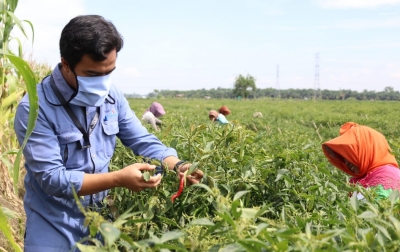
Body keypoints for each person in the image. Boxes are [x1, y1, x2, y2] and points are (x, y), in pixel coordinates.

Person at [14, 15, 203, 252]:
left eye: (109, 72)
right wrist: (117, 179)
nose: (102, 83)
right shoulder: (35, 108)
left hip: (100, 223)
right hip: (53, 225)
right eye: (93, 75)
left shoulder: (112, 97)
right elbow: (52, 179)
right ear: (66, 64)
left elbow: (141, 139)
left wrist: (177, 164)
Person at [322, 122, 400, 200]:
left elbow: (378, 209)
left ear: (366, 151)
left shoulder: (387, 176)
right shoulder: (362, 179)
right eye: (344, 157)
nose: (346, 162)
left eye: (350, 154)